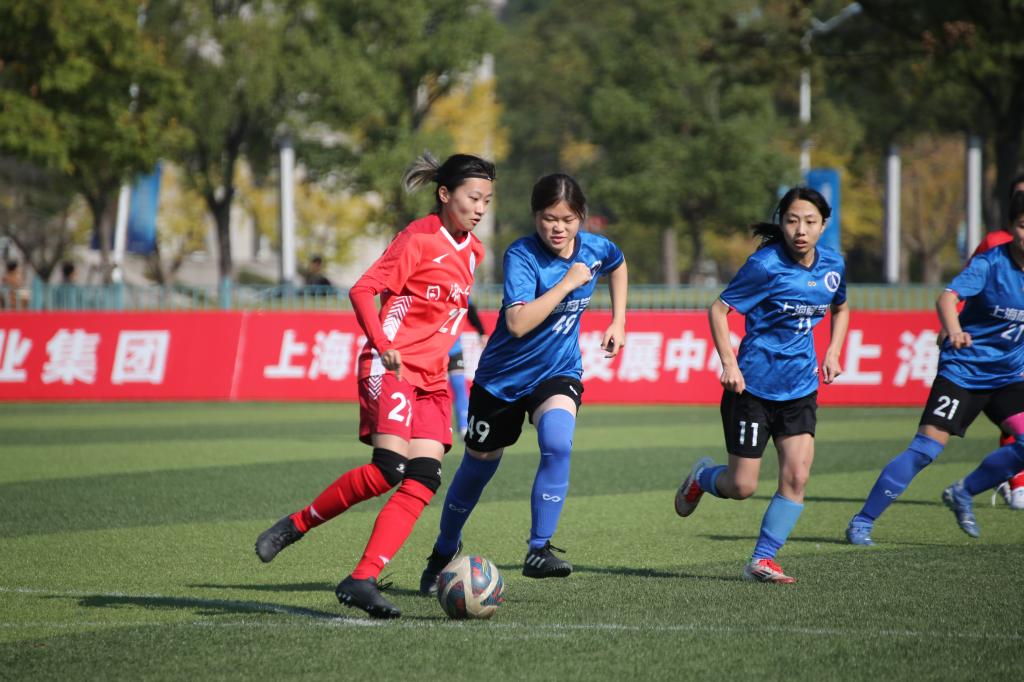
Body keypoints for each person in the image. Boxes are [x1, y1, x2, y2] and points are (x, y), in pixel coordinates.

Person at [254, 152, 495, 618]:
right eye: (473, 198)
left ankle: (361, 579)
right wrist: (384, 344)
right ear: (445, 194)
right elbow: (362, 290)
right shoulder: (417, 239)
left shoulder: (475, 251)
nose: (480, 208)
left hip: (432, 380)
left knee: (424, 477)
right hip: (392, 366)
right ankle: (295, 525)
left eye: (486, 199)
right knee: (388, 469)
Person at [418, 173, 627, 594]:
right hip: (502, 380)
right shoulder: (522, 255)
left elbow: (618, 263)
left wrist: (619, 320)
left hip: (557, 371)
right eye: (549, 218)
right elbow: (516, 323)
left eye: (567, 220)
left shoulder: (595, 248)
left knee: (558, 443)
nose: (558, 228)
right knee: (478, 466)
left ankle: (538, 549)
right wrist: (567, 283)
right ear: (535, 217)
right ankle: (443, 549)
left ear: (581, 217)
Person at [674, 187, 849, 584]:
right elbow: (719, 310)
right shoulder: (765, 265)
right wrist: (729, 364)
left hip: (800, 389)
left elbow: (840, 306)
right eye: (792, 220)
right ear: (781, 222)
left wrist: (834, 350)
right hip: (751, 390)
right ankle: (701, 478)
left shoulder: (833, 265)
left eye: (810, 221)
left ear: (824, 224)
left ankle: (763, 559)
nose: (800, 230)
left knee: (797, 477)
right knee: (742, 486)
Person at [845, 191, 1024, 544]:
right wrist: (954, 329)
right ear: (1010, 227)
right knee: (925, 450)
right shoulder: (990, 264)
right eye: (1023, 225)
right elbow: (947, 297)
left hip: (1008, 376)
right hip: (964, 372)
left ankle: (963, 491)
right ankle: (862, 522)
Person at [448, 299, 488, 438]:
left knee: (459, 385)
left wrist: (481, 332)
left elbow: (470, 309)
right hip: (432, 349)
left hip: (453, 347)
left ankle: (464, 427)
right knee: (432, 388)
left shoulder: (459, 289)